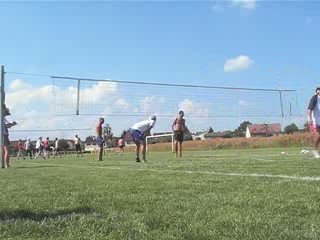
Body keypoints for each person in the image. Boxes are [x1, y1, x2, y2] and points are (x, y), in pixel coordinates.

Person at [308, 87, 320, 158]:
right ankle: (315, 150)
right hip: (316, 119)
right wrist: (309, 118)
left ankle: (319, 152)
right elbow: (309, 109)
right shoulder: (314, 98)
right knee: (318, 135)